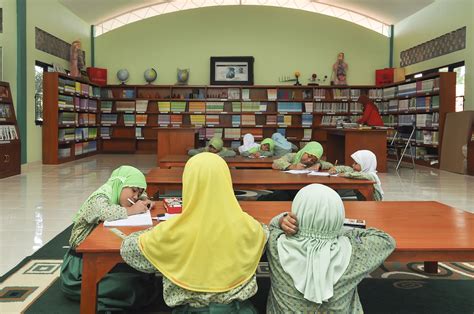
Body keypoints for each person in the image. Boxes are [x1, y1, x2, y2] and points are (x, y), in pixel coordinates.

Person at [120, 153, 268, 312]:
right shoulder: (251, 228)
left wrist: (155, 230)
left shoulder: (171, 232)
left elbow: (128, 250)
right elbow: (265, 234)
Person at [266, 184, 395, 312]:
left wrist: (281, 220)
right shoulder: (354, 251)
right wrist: (342, 231)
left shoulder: (275, 243)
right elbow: (387, 240)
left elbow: (271, 226)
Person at [60, 166, 159, 312]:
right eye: (134, 190)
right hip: (80, 268)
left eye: (140, 192)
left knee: (141, 277)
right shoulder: (99, 197)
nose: (136, 196)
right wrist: (133, 210)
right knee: (131, 288)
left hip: (96, 255)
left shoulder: (119, 192)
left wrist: (146, 200)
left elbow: (136, 196)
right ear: (120, 183)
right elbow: (105, 212)